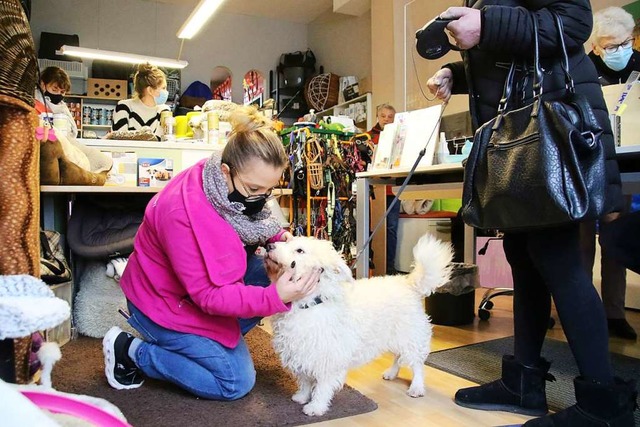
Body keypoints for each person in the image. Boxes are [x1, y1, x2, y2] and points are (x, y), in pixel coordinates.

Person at [426, 2, 637, 426]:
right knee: (525, 258)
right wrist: (461, 72)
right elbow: (517, 52)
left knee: (557, 260)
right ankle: (524, 384)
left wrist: (485, 23)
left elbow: (574, 22)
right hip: (525, 132)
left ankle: (604, 408)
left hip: (550, 128)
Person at [102, 105, 322, 400]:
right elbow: (208, 296)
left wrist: (282, 239)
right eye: (254, 189)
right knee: (234, 382)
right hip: (161, 303)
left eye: (267, 192)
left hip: (187, 292)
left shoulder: (219, 182)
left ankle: (207, 345)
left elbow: (255, 219)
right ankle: (132, 352)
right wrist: (275, 297)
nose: (260, 200)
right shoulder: (181, 213)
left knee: (277, 267)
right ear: (226, 172)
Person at [581, 6, 639, 340]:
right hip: (588, 163)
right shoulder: (582, 68)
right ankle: (582, 310)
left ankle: (613, 313)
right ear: (597, 46)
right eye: (610, 45)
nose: (620, 50)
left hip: (628, 164)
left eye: (625, 42)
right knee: (581, 241)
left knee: (616, 238)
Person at [367, 103, 399, 274]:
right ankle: (374, 266)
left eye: (390, 117)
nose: (387, 119)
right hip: (374, 191)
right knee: (374, 229)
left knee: (392, 229)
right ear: (378, 117)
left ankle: (390, 267)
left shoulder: (399, 137)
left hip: (393, 189)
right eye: (383, 116)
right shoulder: (368, 137)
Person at [112, 63, 169, 139]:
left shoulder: (164, 110)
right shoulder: (124, 106)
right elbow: (118, 138)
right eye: (163, 88)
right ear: (150, 90)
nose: (166, 92)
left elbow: (162, 141)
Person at [588, 7, 640, 86]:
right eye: (611, 47)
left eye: (625, 43)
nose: (621, 52)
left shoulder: (638, 61)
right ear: (595, 48)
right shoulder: (585, 71)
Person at [35, 66, 78, 138]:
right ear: (43, 85)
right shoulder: (34, 103)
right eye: (54, 89)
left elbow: (72, 133)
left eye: (62, 91)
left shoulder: (63, 109)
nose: (58, 93)